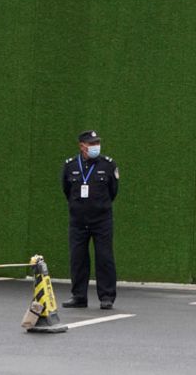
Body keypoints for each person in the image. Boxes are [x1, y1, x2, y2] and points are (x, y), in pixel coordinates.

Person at [60, 129, 119, 310]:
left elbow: (113, 191)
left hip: (101, 220)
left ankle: (106, 296)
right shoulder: (70, 166)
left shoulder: (108, 165)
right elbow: (66, 190)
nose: (95, 147)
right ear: (82, 146)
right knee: (78, 258)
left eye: (97, 143)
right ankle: (79, 296)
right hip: (78, 220)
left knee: (104, 257)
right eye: (91, 144)